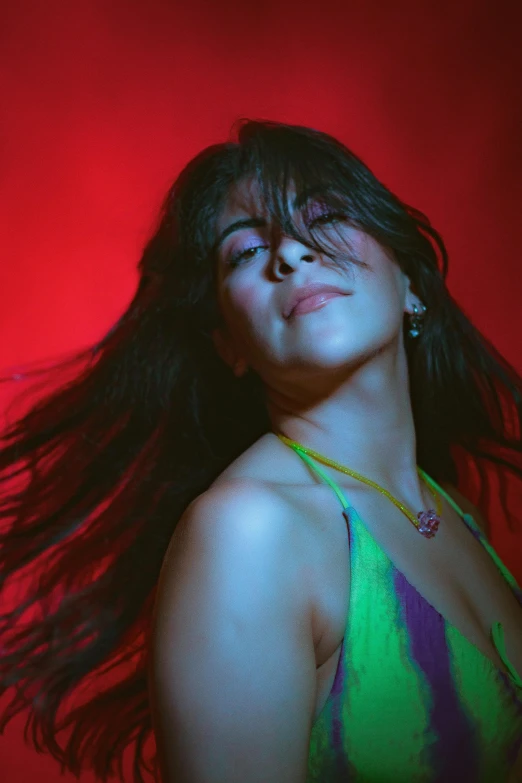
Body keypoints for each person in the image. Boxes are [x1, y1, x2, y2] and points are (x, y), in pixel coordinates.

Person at [0, 120, 521, 783]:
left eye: (325, 215)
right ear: (230, 346)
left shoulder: (455, 511)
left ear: (411, 285)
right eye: (245, 251)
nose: (293, 254)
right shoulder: (247, 530)